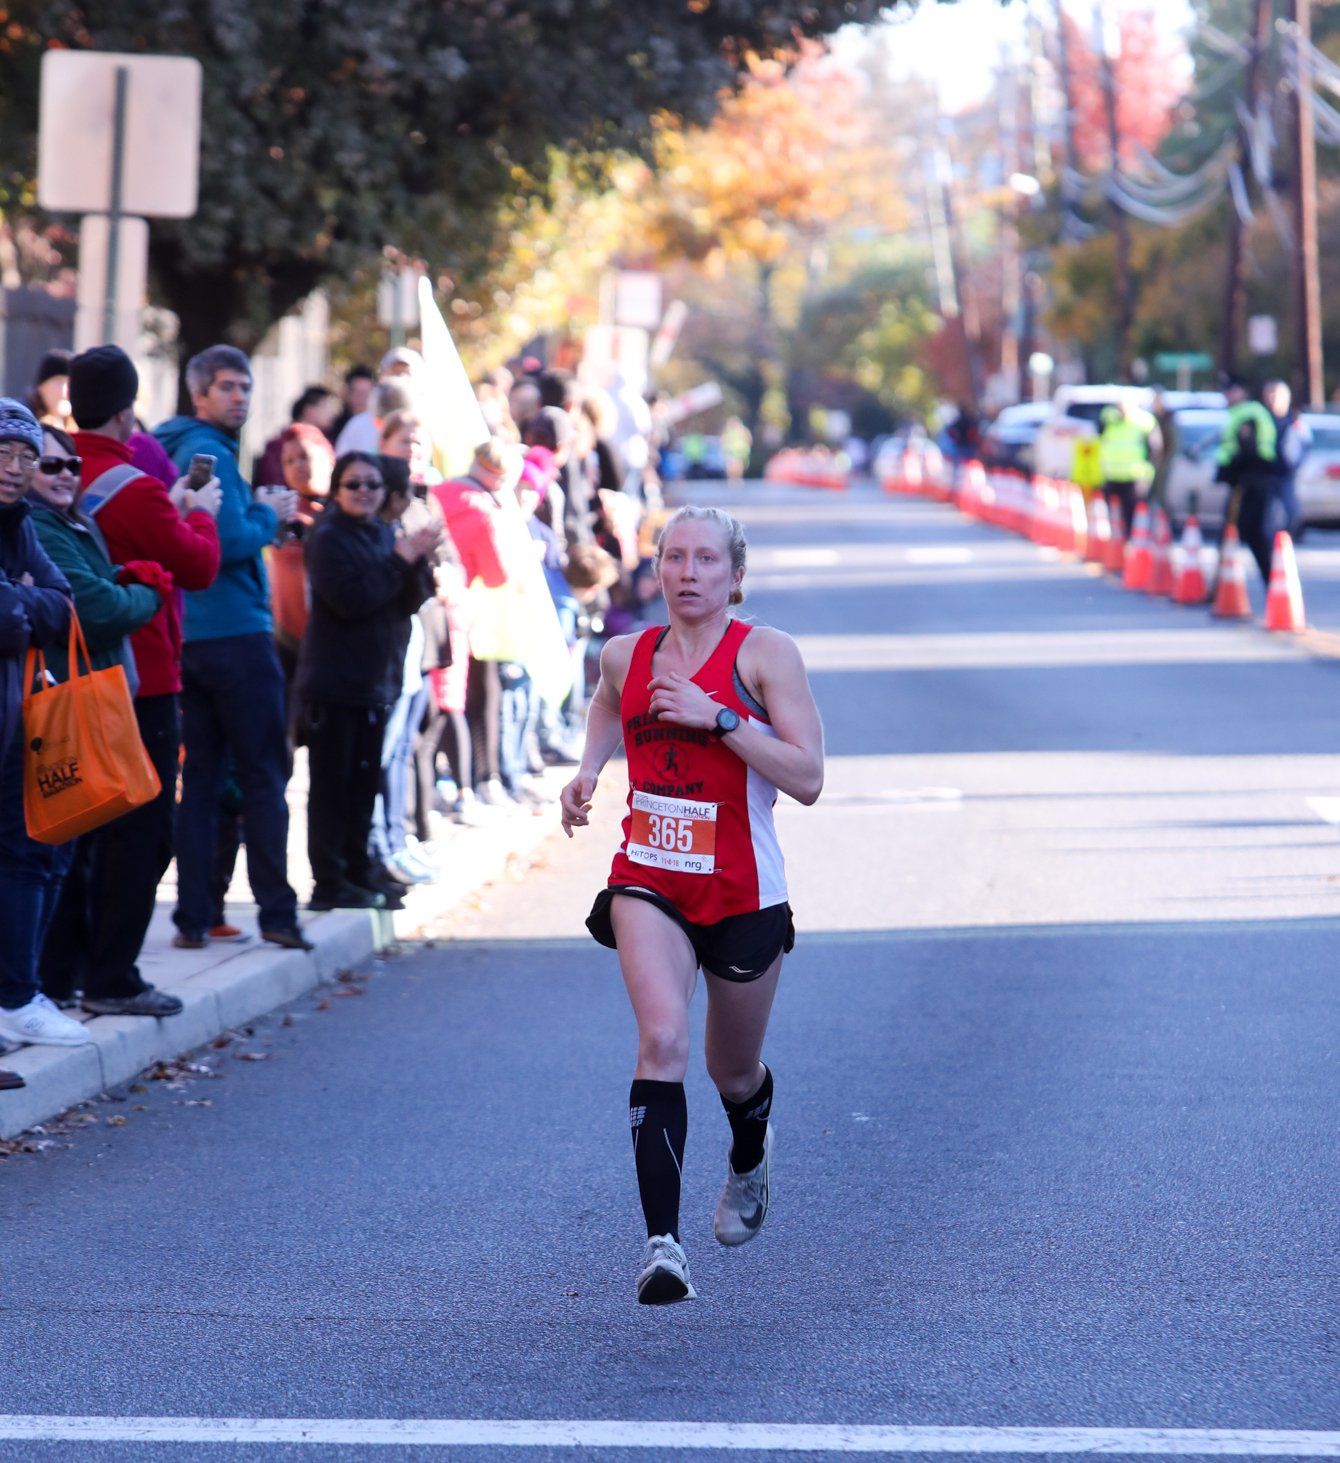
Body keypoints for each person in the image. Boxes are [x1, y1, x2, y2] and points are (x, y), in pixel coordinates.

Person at [559, 505, 824, 1305]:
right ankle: (663, 1246)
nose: (687, 572)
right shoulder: (625, 653)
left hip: (744, 888)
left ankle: (749, 1150)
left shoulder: (765, 654)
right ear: (658, 569)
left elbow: (808, 777)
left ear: (734, 576)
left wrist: (721, 718)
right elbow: (607, 701)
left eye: (707, 559)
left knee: (730, 1069)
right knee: (663, 1039)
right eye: (674, 557)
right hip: (651, 874)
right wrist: (589, 768)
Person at [62, 346, 224, 978]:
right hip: (142, 679)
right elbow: (199, 567)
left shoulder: (56, 470)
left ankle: (65, 971)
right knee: (142, 832)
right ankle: (113, 975)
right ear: (127, 412)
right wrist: (201, 517)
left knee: (74, 829)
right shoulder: (134, 486)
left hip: (65, 675)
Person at [155, 344, 309, 951]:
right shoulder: (210, 451)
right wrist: (268, 515)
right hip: (236, 636)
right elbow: (222, 541)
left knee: (202, 782)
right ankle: (278, 915)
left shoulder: (171, 445)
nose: (239, 397)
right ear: (199, 393)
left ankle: (194, 917)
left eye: (244, 386)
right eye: (226, 386)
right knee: (264, 776)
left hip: (189, 636)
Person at [26, 423, 171, 1014]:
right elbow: (96, 606)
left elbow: (101, 590)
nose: (65, 475)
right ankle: (52, 984)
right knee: (60, 852)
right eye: (50, 466)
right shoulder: (39, 526)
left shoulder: (71, 523)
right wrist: (149, 593)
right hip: (61, 705)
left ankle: (60, 981)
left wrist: (124, 584)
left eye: (71, 466)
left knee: (81, 850)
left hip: (92, 698)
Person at [297, 452, 439, 910]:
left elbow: (407, 602)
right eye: (353, 484)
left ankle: (360, 871)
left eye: (372, 485)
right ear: (337, 489)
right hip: (335, 684)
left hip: (377, 681)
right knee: (332, 789)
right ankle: (329, 882)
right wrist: (400, 560)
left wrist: (418, 562)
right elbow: (352, 600)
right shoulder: (329, 536)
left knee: (363, 787)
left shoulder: (381, 533)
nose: (363, 492)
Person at [0, 398, 83, 1054]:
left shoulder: (21, 525)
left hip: (15, 720)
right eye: (3, 453)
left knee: (36, 849)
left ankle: (16, 996)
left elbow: (64, 604)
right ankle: (16, 997)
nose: (16, 467)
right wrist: (23, 603)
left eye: (27, 456)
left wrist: (19, 598)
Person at [1217, 379, 1279, 583]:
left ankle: (1271, 581)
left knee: (1244, 533)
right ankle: (1223, 586)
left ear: (1241, 391)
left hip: (1249, 483)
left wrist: (1230, 471)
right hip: (1248, 481)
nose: (1226, 396)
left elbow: (1247, 450)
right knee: (1245, 534)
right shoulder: (1242, 413)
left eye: (1230, 391)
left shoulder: (1248, 415)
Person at [1097, 392, 1160, 537]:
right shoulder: (1109, 418)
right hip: (1110, 475)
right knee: (1110, 517)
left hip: (1134, 477)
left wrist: (1147, 473)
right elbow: (1099, 435)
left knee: (1130, 516)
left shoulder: (1144, 421)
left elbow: (1155, 449)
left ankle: (1129, 542)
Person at [253, 386, 341, 487]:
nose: (333, 413)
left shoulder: (329, 444)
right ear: (308, 410)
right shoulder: (277, 447)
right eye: (326, 406)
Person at [1263, 379, 1311, 542]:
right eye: (1269, 394)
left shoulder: (1295, 420)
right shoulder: (1263, 418)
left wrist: (1295, 464)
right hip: (1267, 472)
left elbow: (1304, 445)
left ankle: (1290, 537)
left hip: (1287, 473)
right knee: (1267, 512)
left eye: (1276, 394)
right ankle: (1270, 539)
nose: (1272, 398)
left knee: (1290, 508)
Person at [29, 350, 74, 432]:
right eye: (58, 382)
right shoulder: (24, 419)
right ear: (41, 387)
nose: (64, 390)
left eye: (69, 383)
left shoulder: (74, 425)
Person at [330, 364, 376, 444]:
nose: (361, 399)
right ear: (347, 393)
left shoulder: (378, 427)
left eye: (366, 394)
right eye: (357, 393)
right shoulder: (334, 425)